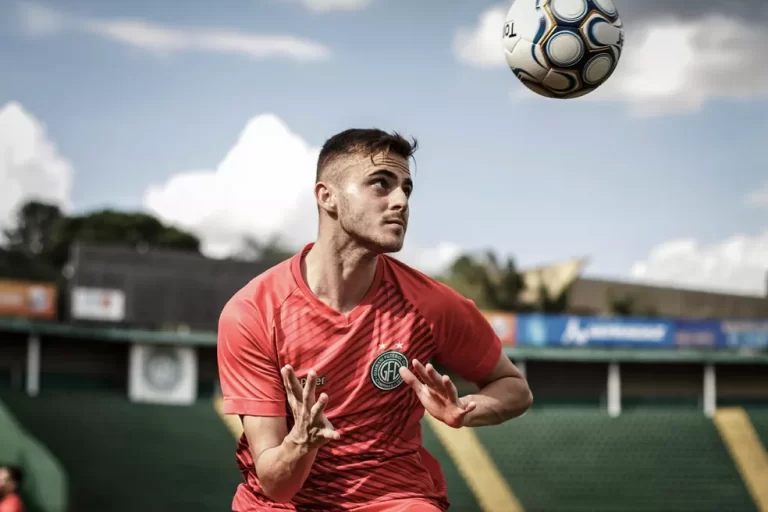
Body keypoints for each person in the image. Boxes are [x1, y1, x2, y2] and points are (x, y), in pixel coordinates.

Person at [217, 128, 533, 511]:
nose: (400, 201)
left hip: (392, 497)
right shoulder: (253, 312)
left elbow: (514, 387)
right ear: (326, 196)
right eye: (381, 184)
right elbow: (276, 486)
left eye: (406, 189)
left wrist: (464, 410)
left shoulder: (431, 304)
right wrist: (302, 441)